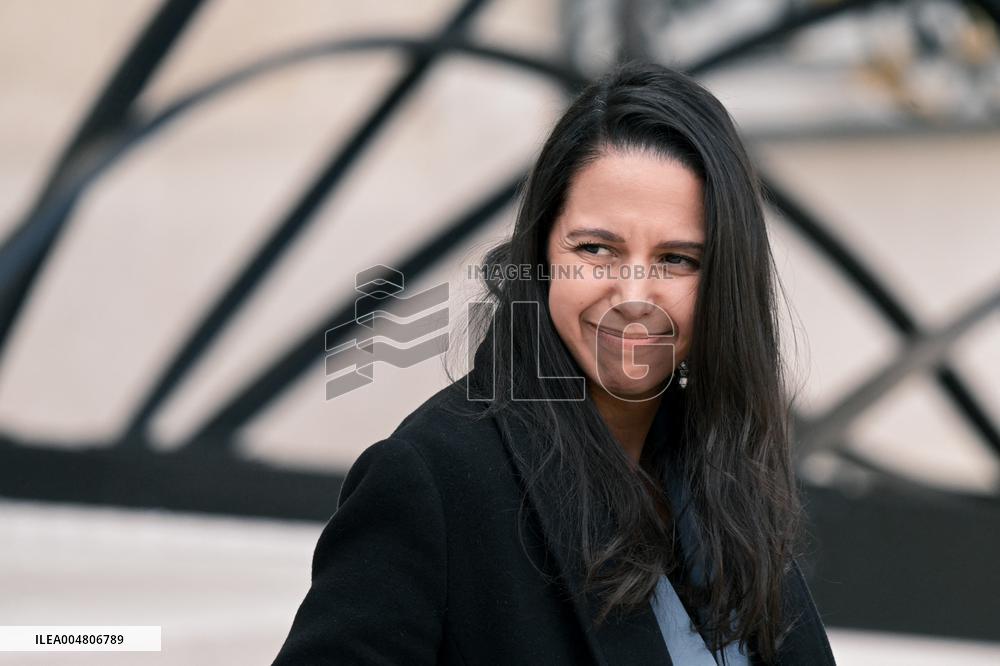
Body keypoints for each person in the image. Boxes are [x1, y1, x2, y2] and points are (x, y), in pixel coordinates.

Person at [272, 60, 836, 665]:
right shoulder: (431, 480)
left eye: (677, 259)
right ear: (541, 254)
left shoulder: (720, 467)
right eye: (595, 250)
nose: (634, 297)